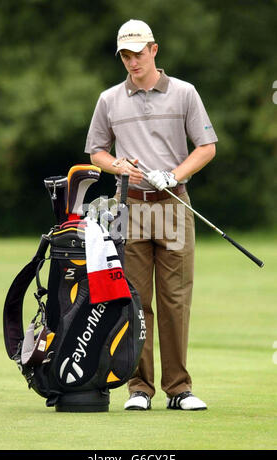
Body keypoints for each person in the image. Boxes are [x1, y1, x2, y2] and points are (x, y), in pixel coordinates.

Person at [84, 19, 218, 411]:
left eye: (138, 53)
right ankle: (139, 389)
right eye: (125, 55)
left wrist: (173, 174)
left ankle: (179, 389)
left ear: (154, 50)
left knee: (174, 299)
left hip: (174, 203)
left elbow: (207, 146)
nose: (132, 61)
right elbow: (97, 152)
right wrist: (118, 166)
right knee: (134, 299)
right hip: (130, 207)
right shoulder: (109, 99)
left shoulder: (184, 94)